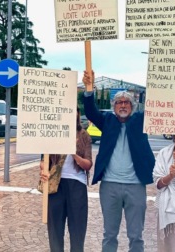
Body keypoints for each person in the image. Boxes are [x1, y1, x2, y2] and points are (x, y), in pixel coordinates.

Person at [82, 71, 155, 252]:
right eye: (119, 103)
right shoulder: (107, 121)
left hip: (135, 185)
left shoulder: (140, 121)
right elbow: (91, 111)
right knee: (109, 234)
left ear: (133, 106)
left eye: (127, 103)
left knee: (136, 235)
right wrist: (89, 90)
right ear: (114, 106)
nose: (123, 105)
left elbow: (157, 109)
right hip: (110, 186)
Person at [40, 107, 93, 252]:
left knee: (77, 229)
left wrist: (74, 153)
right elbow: (43, 163)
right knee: (55, 229)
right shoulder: (53, 134)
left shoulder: (84, 136)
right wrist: (44, 172)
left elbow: (88, 164)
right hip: (56, 185)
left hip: (77, 185)